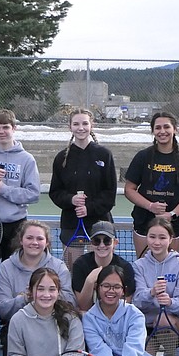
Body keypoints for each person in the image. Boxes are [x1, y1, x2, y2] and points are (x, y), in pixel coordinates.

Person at [0, 108, 41, 305]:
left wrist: (4, 189)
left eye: (5, 127)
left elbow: (33, 194)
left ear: (14, 128)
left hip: (17, 226)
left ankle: (13, 325)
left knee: (17, 279)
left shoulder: (26, 159)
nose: (1, 131)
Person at [83, 265, 176, 356]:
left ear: (123, 290)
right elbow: (100, 352)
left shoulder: (135, 314)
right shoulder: (89, 318)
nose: (111, 291)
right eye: (106, 286)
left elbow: (134, 346)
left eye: (116, 287)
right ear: (97, 287)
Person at [0, 219, 73, 355]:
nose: (34, 242)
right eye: (29, 238)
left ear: (46, 243)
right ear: (21, 240)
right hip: (18, 328)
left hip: (53, 325)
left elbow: (70, 300)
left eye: (39, 238)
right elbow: (2, 308)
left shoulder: (58, 266)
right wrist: (25, 298)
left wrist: (41, 297)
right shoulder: (6, 267)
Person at [48, 108, 117, 269]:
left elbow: (110, 193)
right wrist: (71, 199)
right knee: (73, 274)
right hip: (72, 225)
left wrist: (89, 208)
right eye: (76, 124)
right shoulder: (61, 158)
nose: (81, 128)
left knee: (103, 274)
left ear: (92, 125)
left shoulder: (104, 154)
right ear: (69, 127)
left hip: (101, 224)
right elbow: (55, 192)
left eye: (85, 123)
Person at [124, 111, 179, 255]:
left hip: (173, 227)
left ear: (175, 129)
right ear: (153, 131)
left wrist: (172, 214)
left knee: (171, 271)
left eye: (166, 127)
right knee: (144, 270)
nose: (162, 131)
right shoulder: (142, 157)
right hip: (143, 224)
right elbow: (129, 189)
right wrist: (150, 206)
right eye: (158, 128)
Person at [2, 268, 84, 356]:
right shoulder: (17, 319)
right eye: (40, 289)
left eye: (52, 289)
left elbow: (75, 354)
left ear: (58, 292)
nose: (46, 295)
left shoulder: (71, 318)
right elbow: (17, 353)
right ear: (31, 291)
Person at [132, 217, 179, 338]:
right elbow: (137, 302)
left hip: (173, 323)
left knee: (163, 321)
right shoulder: (139, 266)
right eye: (152, 237)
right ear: (147, 237)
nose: (156, 242)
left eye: (162, 237)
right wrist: (151, 293)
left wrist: (170, 302)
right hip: (145, 325)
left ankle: (168, 353)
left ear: (170, 239)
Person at [72, 221, 137, 311]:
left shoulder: (125, 268)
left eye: (107, 241)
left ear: (115, 243)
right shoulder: (80, 265)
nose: (102, 245)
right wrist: (89, 282)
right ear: (91, 243)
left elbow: (125, 304)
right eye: (96, 241)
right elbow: (83, 306)